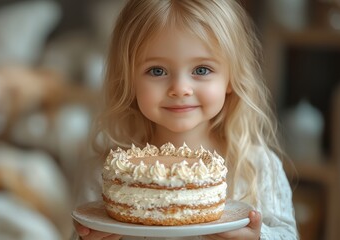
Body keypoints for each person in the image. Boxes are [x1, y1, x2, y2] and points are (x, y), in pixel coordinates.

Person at [72, 0, 298, 239]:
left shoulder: (258, 168)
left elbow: (288, 234)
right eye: (157, 71)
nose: (180, 89)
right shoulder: (106, 174)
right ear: (129, 80)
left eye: (201, 70)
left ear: (232, 77)